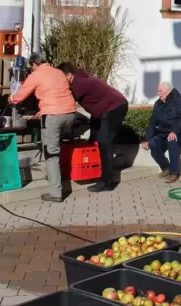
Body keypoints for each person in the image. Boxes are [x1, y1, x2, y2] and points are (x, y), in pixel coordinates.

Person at [9, 53, 77, 203]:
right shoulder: (58, 72)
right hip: (70, 114)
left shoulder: (36, 74)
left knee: (51, 153)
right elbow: (58, 93)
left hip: (53, 116)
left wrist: (12, 98)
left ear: (34, 65)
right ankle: (54, 176)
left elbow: (21, 95)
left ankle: (55, 192)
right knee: (56, 145)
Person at [57, 63, 129, 193]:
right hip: (103, 110)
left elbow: (65, 100)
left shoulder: (79, 84)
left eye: (61, 77)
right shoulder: (79, 79)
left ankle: (107, 182)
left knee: (104, 143)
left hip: (114, 108)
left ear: (69, 75)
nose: (60, 81)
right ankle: (95, 170)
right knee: (94, 138)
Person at [146, 82, 181, 183]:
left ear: (168, 91)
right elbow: (152, 123)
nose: (158, 93)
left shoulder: (179, 103)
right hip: (164, 133)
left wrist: (174, 132)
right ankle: (166, 167)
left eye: (160, 91)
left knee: (172, 140)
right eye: (158, 91)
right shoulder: (158, 104)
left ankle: (174, 172)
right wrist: (148, 140)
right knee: (153, 143)